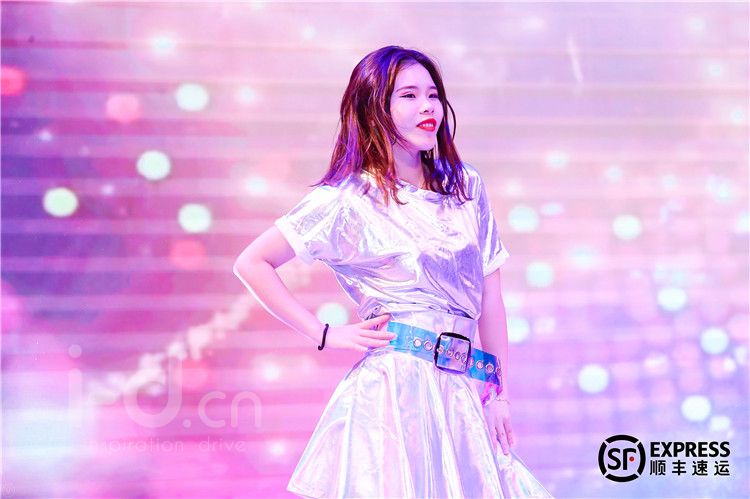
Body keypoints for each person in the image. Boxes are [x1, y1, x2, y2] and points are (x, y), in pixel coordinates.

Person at [234, 45, 552, 499]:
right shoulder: (348, 198)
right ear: (373, 107)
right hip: (395, 391)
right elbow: (252, 262)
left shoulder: (465, 187)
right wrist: (324, 333)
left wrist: (498, 391)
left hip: (462, 389)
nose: (427, 107)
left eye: (433, 95)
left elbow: (490, 297)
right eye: (408, 95)